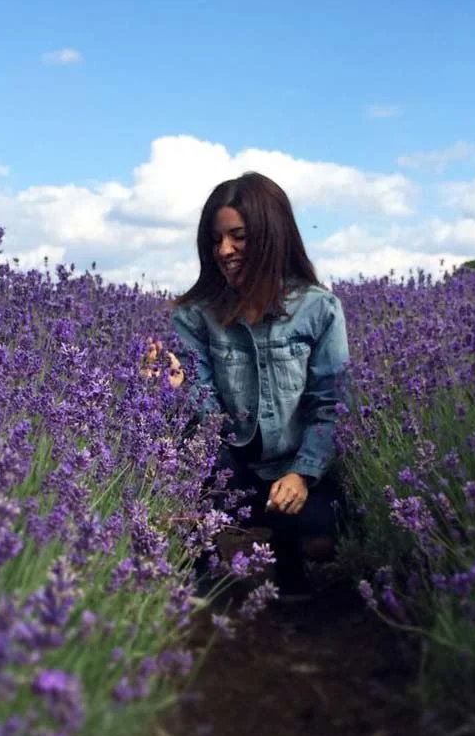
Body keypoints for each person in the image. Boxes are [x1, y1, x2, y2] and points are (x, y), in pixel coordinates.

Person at [146, 171, 351, 602]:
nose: (224, 251)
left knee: (324, 539)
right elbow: (203, 414)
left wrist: (303, 472)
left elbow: (329, 405)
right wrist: (168, 393)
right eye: (216, 239)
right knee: (175, 476)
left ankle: (287, 550)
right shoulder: (195, 316)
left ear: (270, 235)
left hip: (292, 465)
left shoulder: (319, 309)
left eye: (238, 237)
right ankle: (200, 563)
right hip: (230, 465)